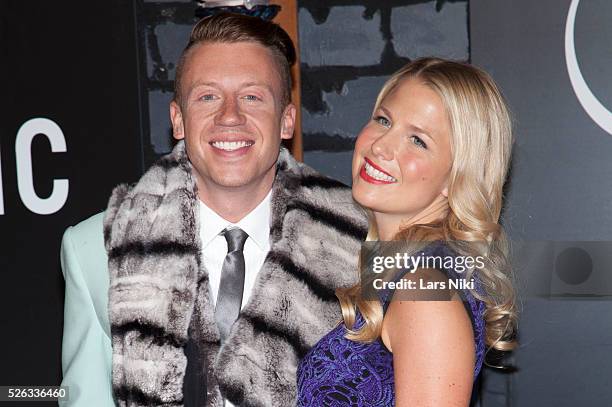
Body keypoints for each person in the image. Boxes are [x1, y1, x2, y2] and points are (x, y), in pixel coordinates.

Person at [60, 13, 367, 407]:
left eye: (252, 97)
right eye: (208, 96)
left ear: (287, 121)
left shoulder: (359, 241)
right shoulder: (98, 247)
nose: (230, 117)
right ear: (178, 120)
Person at [297, 58, 518, 406]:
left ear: (456, 177)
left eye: (418, 140)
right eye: (383, 120)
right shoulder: (407, 273)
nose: (381, 146)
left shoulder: (422, 291)